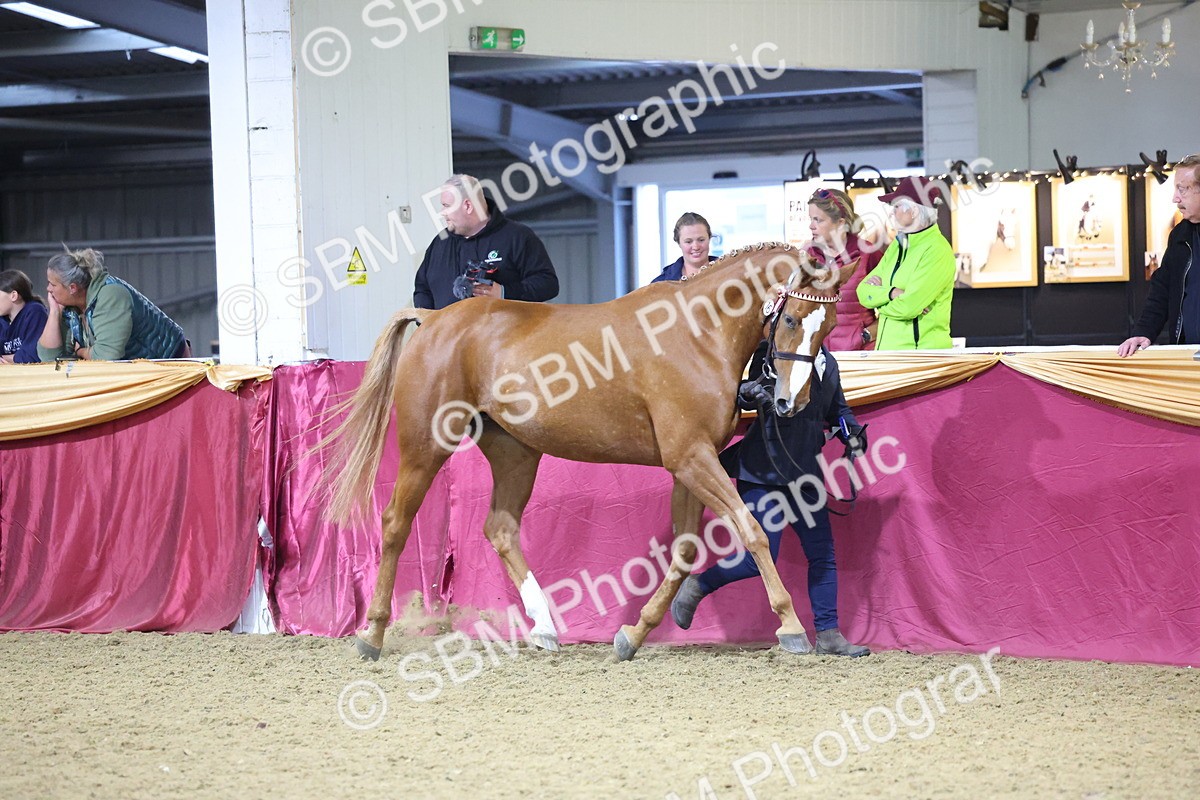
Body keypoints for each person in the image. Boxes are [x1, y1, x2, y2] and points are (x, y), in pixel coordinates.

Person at [671, 342, 871, 657]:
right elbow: (747, 392)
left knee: (823, 555)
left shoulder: (828, 363)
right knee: (759, 559)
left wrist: (853, 432)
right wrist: (748, 393)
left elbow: (838, 410)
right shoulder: (772, 353)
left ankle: (829, 635)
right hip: (762, 471)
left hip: (805, 474)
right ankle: (699, 585)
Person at [413, 174, 559, 310]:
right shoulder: (440, 243)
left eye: (446, 206)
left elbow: (548, 284)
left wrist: (504, 292)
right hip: (448, 337)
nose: (442, 212)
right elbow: (422, 289)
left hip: (504, 336)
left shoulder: (517, 237)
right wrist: (428, 323)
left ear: (468, 206)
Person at [37, 247, 188, 361]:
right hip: (141, 369)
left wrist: (80, 352)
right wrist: (54, 313)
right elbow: (49, 357)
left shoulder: (111, 295)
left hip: (169, 361)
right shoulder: (71, 307)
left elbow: (106, 356)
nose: (48, 289)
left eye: (52, 284)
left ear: (72, 288)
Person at [856, 176, 955, 349]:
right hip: (890, 356)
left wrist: (880, 303)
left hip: (921, 359)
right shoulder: (898, 245)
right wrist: (893, 293)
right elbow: (862, 292)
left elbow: (908, 307)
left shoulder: (937, 250)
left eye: (896, 206)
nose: (891, 212)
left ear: (914, 211)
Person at [1118, 154, 1200, 357]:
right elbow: (1162, 290)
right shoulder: (1180, 235)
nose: (1175, 198)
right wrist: (1144, 332)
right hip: (1187, 356)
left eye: (1183, 189)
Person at [803, 188, 884, 350]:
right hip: (818, 358)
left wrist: (866, 335)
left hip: (860, 356)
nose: (811, 226)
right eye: (811, 219)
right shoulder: (806, 256)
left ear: (840, 223)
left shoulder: (869, 253)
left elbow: (891, 306)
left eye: (818, 220)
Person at [650, 212, 718, 283]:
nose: (696, 247)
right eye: (688, 241)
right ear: (678, 243)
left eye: (701, 240)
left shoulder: (728, 273)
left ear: (709, 238)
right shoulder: (660, 284)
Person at [0, 269, 49, 363]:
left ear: (14, 295)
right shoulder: (2, 320)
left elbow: (33, 355)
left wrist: (5, 358)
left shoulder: (35, 311)